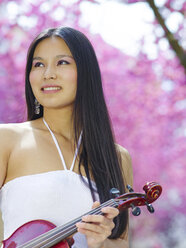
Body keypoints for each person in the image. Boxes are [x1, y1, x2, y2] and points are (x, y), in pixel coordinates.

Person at [0, 27, 133, 248]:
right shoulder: (7, 139)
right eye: (38, 64)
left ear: (86, 72)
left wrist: (100, 242)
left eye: (62, 62)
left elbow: (121, 243)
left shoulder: (117, 157)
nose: (48, 74)